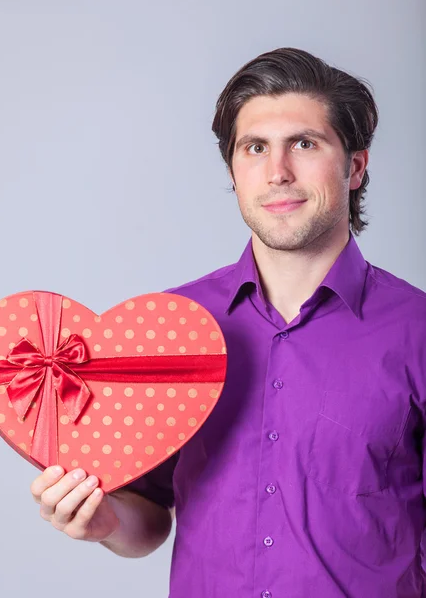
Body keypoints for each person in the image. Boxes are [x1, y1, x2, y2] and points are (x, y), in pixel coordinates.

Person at [29, 47, 426, 597]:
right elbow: (149, 514)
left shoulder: (417, 331)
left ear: (355, 165)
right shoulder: (169, 329)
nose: (278, 172)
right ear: (235, 171)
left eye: (304, 144)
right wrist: (105, 523)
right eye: (255, 148)